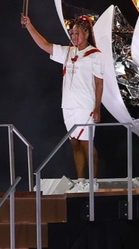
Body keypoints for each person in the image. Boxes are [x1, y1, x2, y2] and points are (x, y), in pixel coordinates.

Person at [21, 13, 103, 192]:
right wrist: (29, 26)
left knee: (87, 143)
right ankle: (81, 181)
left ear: (87, 33)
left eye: (77, 33)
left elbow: (99, 83)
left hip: (85, 105)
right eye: (72, 34)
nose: (74, 37)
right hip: (68, 105)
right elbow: (44, 45)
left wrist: (97, 108)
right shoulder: (68, 52)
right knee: (74, 142)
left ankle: (93, 181)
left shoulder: (95, 55)